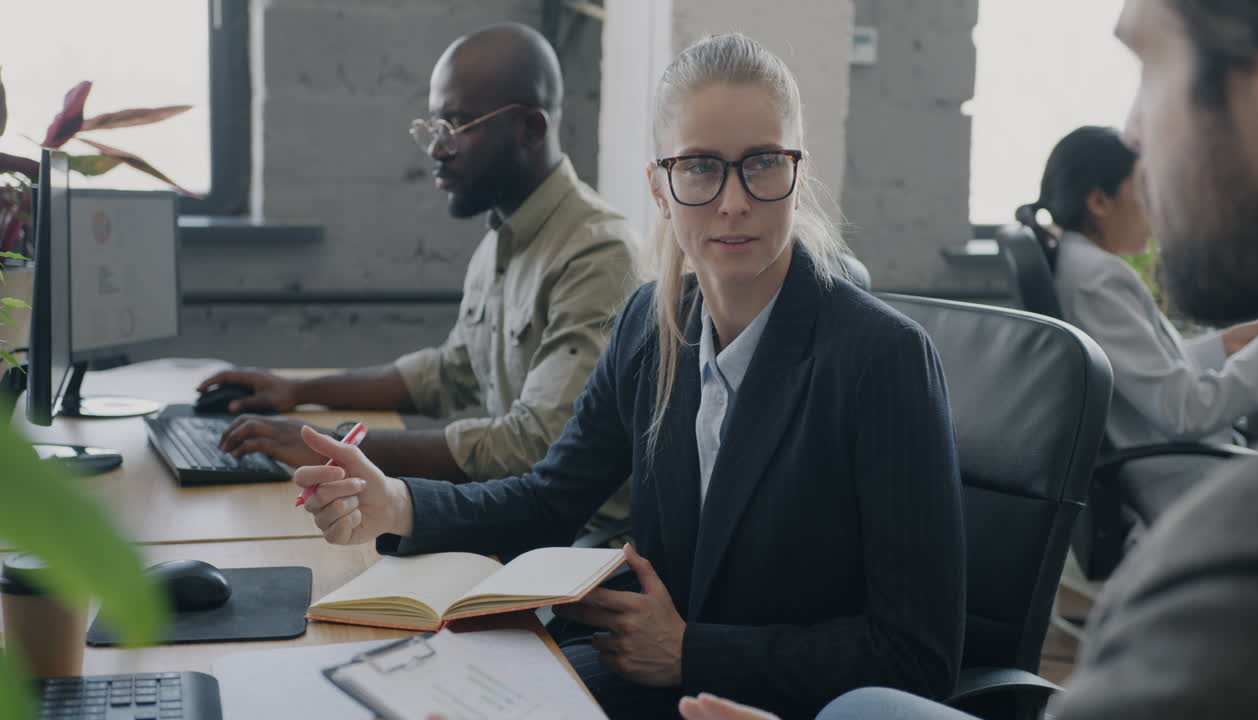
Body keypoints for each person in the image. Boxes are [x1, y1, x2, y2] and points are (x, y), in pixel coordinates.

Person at [292, 32, 965, 720]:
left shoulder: (883, 361)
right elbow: (552, 498)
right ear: (660, 188)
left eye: (762, 163)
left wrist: (690, 651)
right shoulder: (651, 321)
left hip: (767, 703)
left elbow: (916, 657)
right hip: (646, 684)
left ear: (798, 170)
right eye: (700, 167)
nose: (734, 201)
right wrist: (396, 502)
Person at [774, 0, 1258, 717]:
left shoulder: (1230, 577)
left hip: (1185, 471)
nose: (1136, 128)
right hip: (1179, 458)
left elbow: (1155, 371)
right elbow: (1173, 396)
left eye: (1149, 66)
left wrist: (1237, 346)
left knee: (857, 709)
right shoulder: (1101, 272)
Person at [199, 24, 640, 487]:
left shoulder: (597, 254)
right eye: (433, 127)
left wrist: (329, 446)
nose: (436, 150)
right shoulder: (505, 236)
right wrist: (297, 391)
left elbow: (534, 443)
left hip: (585, 547)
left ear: (531, 128)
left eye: (455, 126)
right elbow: (450, 373)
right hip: (521, 514)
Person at [1016, 125, 1258, 518]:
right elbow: (1186, 412)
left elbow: (1141, 372)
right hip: (1178, 477)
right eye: (1143, 187)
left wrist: (1222, 346)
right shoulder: (1098, 278)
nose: (1155, 204)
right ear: (1099, 201)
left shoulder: (1081, 265)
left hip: (1172, 465)